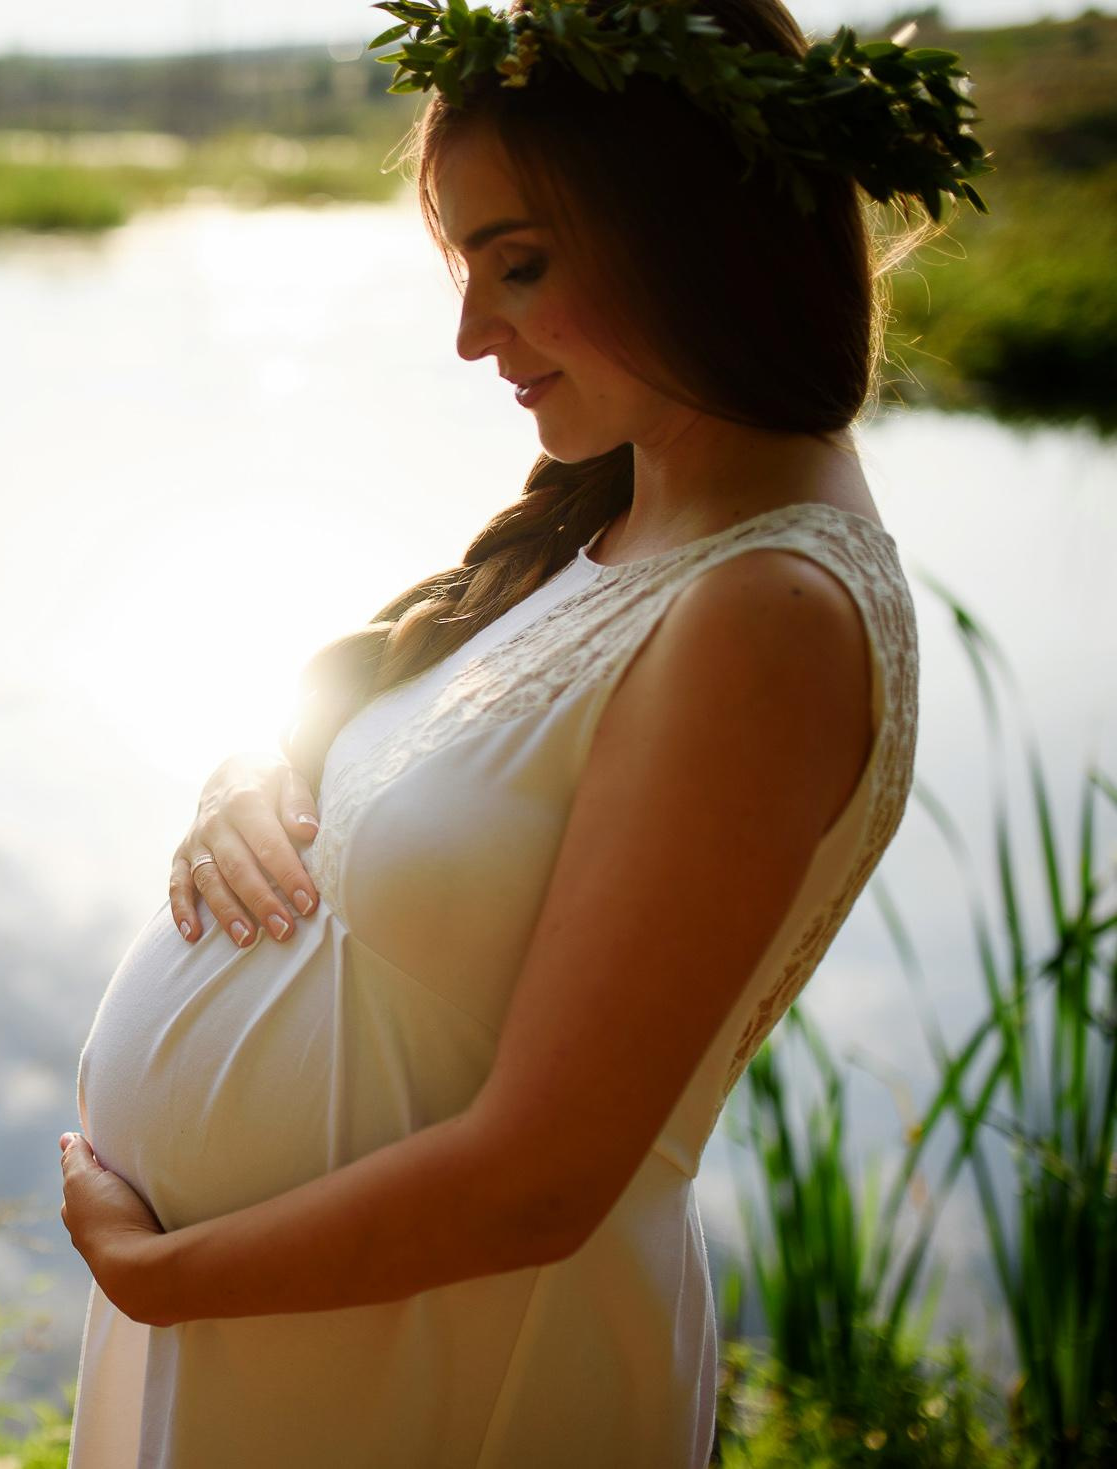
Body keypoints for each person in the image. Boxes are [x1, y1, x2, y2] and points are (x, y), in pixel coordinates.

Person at [55, 0, 988, 1462]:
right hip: (318, 1341)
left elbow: (543, 1177)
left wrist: (162, 1276)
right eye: (464, 266)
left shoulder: (769, 612)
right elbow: (436, 773)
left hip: (445, 1375)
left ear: (690, 226)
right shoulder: (624, 509)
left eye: (522, 264)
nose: (473, 333)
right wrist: (258, 770)